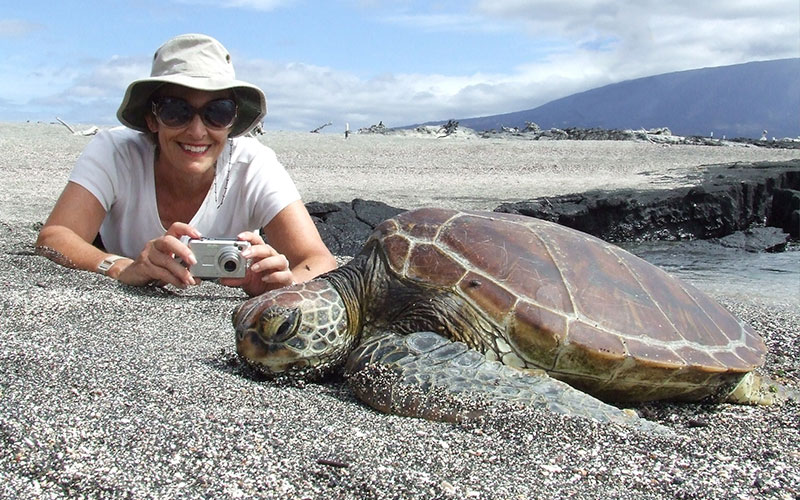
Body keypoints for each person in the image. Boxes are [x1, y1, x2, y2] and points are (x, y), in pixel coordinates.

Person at [36, 33, 337, 297]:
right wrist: (122, 267)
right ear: (151, 119)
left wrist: (282, 287)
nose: (197, 131)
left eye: (217, 112)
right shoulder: (116, 152)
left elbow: (319, 261)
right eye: (176, 111)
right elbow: (55, 236)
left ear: (232, 123)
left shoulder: (253, 164)